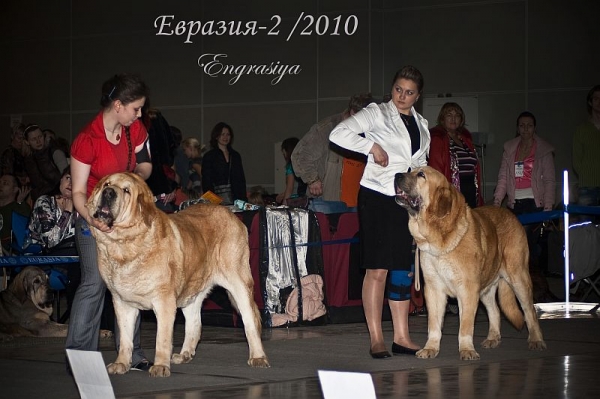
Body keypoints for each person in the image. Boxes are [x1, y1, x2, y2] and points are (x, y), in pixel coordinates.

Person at [329, 65, 429, 358]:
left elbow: (421, 162)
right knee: (377, 269)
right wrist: (371, 146)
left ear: (417, 96)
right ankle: (376, 338)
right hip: (376, 197)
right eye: (398, 89)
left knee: (402, 270)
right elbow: (339, 134)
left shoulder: (422, 124)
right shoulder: (376, 112)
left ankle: (402, 336)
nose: (402, 96)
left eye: (409, 92)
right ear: (393, 88)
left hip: (406, 202)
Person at [65, 73, 153, 372]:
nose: (139, 114)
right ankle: (79, 357)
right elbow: (78, 192)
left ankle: (131, 353)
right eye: (135, 109)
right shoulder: (88, 139)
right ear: (118, 105)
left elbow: (146, 165)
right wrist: (91, 220)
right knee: (95, 283)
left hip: (126, 221)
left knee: (129, 283)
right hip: (94, 216)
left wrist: (132, 178)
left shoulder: (135, 129)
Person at [493, 111, 555, 264]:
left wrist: (548, 208)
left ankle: (532, 278)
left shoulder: (544, 150)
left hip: (535, 204)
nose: (526, 129)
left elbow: (549, 180)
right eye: (522, 126)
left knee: (528, 244)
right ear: (517, 128)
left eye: (529, 126)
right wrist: (497, 200)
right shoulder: (509, 149)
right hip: (515, 203)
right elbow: (503, 178)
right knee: (514, 244)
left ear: (534, 128)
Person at [291, 93, 374, 207]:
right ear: (353, 113)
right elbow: (299, 155)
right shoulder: (326, 129)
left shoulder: (369, 131)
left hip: (359, 205)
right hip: (329, 203)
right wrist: (312, 180)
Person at [27, 166, 78, 312]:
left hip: (72, 256)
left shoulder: (81, 205)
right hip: (45, 257)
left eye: (76, 180)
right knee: (81, 270)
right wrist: (67, 212)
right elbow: (50, 241)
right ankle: (78, 319)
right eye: (68, 178)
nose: (71, 184)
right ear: (61, 179)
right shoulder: (45, 202)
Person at [428, 102, 483, 208]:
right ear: (442, 119)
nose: (453, 119)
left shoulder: (466, 139)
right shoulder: (438, 139)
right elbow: (435, 169)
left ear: (461, 119)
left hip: (471, 188)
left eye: (457, 115)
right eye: (449, 115)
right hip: (451, 190)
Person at [201, 122, 247, 205]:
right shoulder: (209, 156)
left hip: (236, 199)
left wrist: (243, 201)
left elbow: (241, 180)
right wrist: (213, 201)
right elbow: (206, 181)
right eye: (222, 134)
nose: (225, 137)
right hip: (216, 200)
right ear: (216, 136)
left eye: (228, 134)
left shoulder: (235, 155)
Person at [23, 124, 69, 201]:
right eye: (33, 139)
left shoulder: (54, 152)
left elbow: (66, 177)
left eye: (40, 137)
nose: (38, 141)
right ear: (27, 142)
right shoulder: (28, 160)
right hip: (39, 199)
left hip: (57, 198)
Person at [572, 85, 600, 208]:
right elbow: (576, 160)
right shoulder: (581, 130)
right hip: (587, 187)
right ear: (590, 102)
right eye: (596, 99)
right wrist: (587, 176)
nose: (599, 102)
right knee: (586, 226)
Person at [0, 174, 31, 252]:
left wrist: (20, 202)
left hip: (10, 253)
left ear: (15, 189)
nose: (0, 185)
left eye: (5, 183)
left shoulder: (20, 207)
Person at [276, 137, 306, 204]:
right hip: (304, 198)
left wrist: (283, 205)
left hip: (295, 201)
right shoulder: (303, 163)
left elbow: (290, 188)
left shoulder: (291, 166)